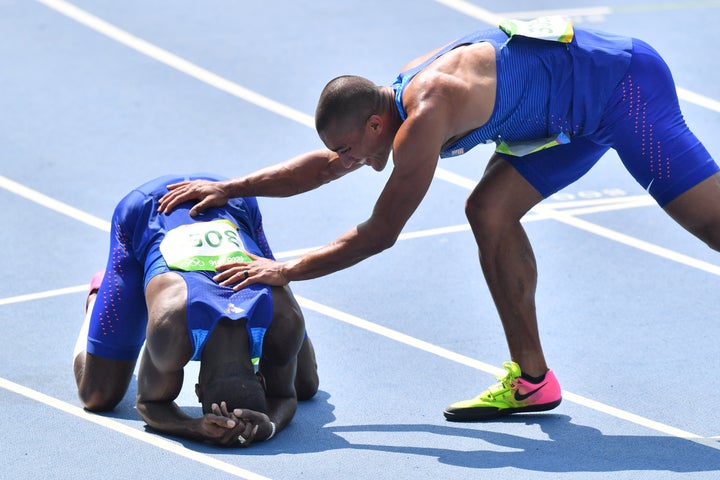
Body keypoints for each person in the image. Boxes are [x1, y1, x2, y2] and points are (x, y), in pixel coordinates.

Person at [157, 17, 720, 421]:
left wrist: (284, 270)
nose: (348, 161)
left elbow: (380, 234)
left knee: (713, 227)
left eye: (350, 148)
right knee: (489, 210)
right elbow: (325, 168)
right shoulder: (388, 103)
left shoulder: (425, 114)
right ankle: (533, 381)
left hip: (625, 89)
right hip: (570, 114)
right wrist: (233, 186)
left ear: (376, 127)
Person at [73, 173, 319, 447]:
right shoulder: (171, 327)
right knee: (97, 396)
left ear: (197, 392)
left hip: (231, 204)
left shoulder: (285, 320)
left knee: (305, 385)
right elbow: (148, 402)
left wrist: (268, 426)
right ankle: (99, 297)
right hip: (149, 209)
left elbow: (287, 398)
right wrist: (193, 428)